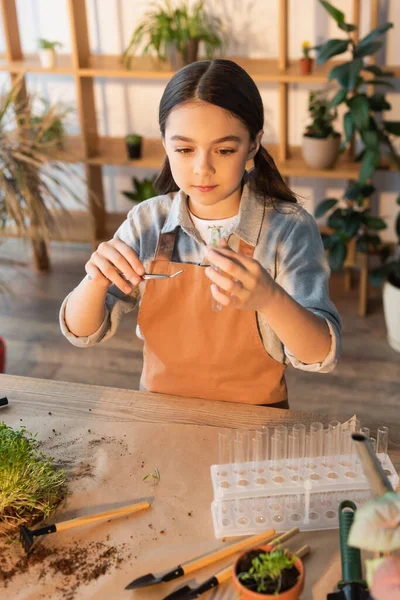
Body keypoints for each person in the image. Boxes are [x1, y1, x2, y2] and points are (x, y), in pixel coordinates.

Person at [60, 59, 341, 408]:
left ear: (254, 144)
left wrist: (270, 299)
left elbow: (321, 354)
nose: (202, 168)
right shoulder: (146, 222)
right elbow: (82, 332)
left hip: (255, 426)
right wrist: (95, 278)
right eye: (184, 149)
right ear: (164, 143)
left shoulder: (289, 228)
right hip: (160, 417)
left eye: (224, 150)